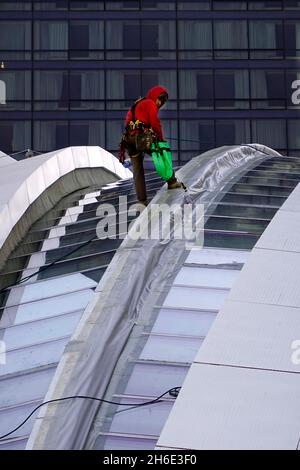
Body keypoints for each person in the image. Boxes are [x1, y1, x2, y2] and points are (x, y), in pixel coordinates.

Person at [119, 85, 182, 205]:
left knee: (137, 171)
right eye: (160, 99)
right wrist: (161, 139)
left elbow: (129, 122)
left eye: (162, 101)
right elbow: (155, 123)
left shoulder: (136, 104)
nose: (160, 103)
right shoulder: (150, 103)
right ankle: (172, 181)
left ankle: (142, 201)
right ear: (155, 96)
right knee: (161, 151)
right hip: (142, 139)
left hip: (129, 140)